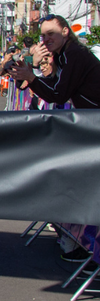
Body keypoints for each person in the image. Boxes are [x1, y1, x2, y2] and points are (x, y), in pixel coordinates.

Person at [10, 14, 100, 263]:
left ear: (66, 32)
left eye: (52, 33)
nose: (46, 39)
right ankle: (72, 240)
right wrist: (31, 68)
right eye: (43, 35)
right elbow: (35, 83)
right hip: (83, 130)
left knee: (76, 185)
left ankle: (78, 242)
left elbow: (57, 94)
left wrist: (32, 76)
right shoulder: (63, 56)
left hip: (91, 130)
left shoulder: (75, 55)